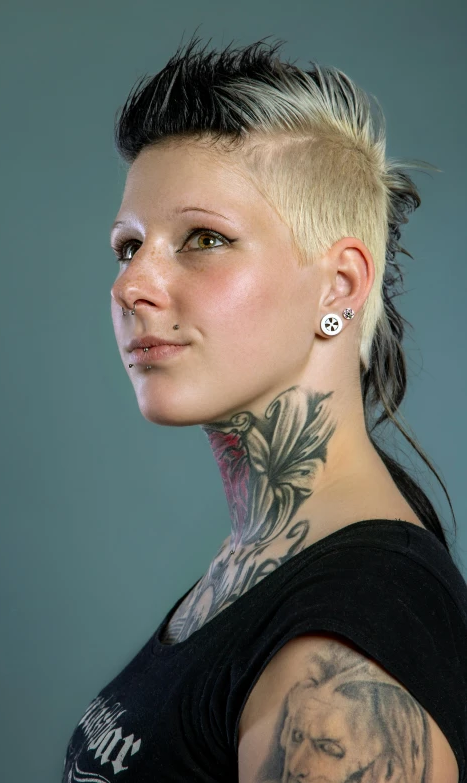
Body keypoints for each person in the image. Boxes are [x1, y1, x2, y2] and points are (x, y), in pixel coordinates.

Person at [61, 35, 467, 783]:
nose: (132, 287)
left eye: (204, 238)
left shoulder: (342, 657)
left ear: (340, 286)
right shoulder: (266, 555)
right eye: (129, 246)